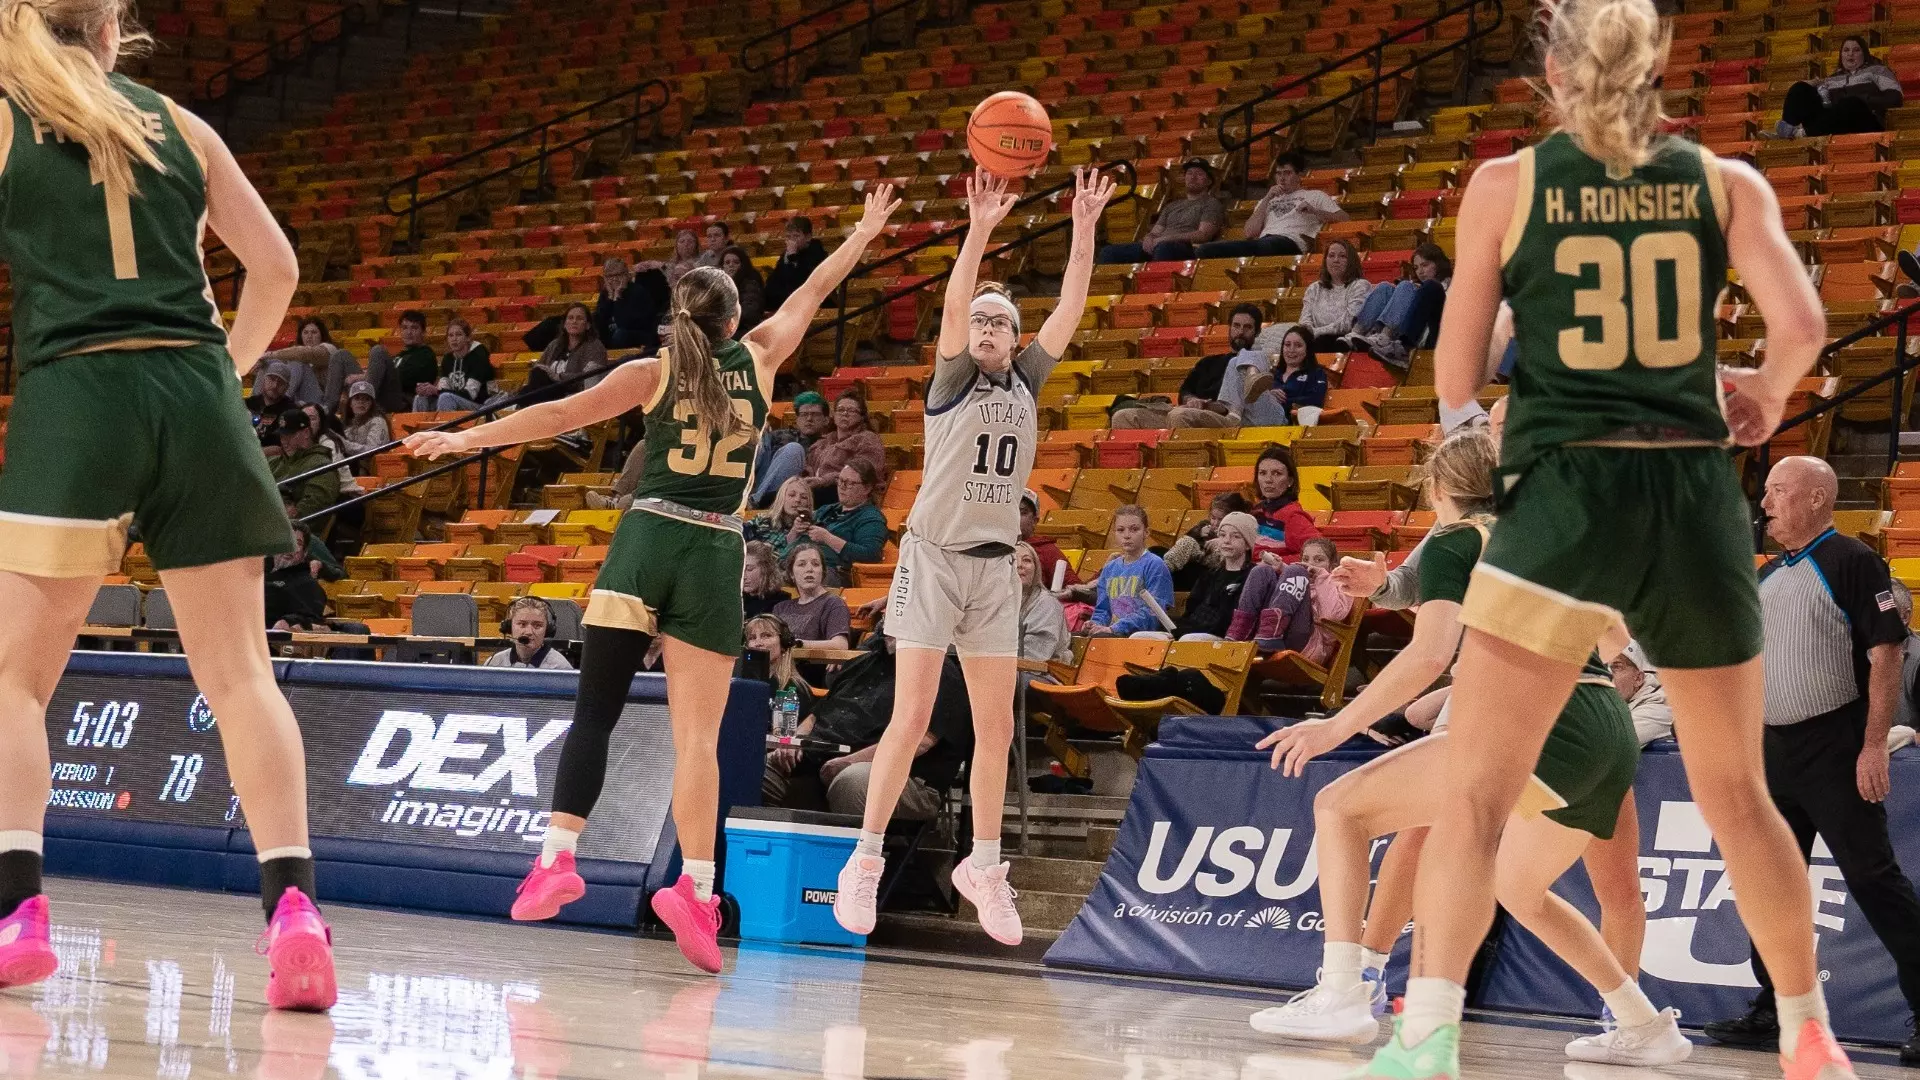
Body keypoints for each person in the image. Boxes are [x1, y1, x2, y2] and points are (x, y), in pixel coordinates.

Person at [1353, 0, 1852, 1073]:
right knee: (1737, 794)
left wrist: (1485, 439)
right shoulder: (1726, 181)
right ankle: (1809, 1030)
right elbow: (1804, 326)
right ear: (1658, 63)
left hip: (1565, 494)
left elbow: (1455, 372)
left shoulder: (1507, 184)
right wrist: (1767, 390)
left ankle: (1428, 1033)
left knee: (1476, 794)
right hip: (1688, 494)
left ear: (1551, 70)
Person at [403, 184, 903, 975]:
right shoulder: (762, 357)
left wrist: (466, 441)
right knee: (696, 741)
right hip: (715, 550)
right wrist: (866, 230)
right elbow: (814, 288)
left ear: (677, 319)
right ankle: (696, 892)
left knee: (595, 712)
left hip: (647, 539)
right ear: (734, 321)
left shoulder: (652, 372)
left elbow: (555, 417)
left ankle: (558, 857)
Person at [0, 0, 337, 1010]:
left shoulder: (7, 114)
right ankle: (295, 912)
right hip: (195, 394)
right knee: (241, 677)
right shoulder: (183, 125)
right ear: (112, 30)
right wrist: (223, 374)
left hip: (77, 391)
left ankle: (18, 911)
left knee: (14, 680)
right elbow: (276, 267)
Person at [1249, 431, 1687, 1068]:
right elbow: (1617, 641)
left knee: (1340, 808)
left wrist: (1334, 727)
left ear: (1437, 489)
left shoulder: (1455, 540)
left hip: (1542, 723)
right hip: (1607, 727)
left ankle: (1343, 992)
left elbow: (1429, 653)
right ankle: (1643, 1025)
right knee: (1520, 888)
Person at [834, 167, 1114, 947]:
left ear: (1016, 339)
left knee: (997, 729)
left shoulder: (1026, 381)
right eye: (981, 320)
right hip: (933, 559)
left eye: (1001, 323)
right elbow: (957, 303)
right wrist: (980, 228)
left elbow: (1071, 306)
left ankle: (984, 867)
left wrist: (1083, 227)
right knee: (911, 715)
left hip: (994, 568)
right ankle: (865, 858)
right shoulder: (954, 378)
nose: (987, 328)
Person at [1703, 456, 1920, 1065]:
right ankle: (1776, 1007)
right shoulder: (1772, 572)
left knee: (1873, 879)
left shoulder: (1852, 561)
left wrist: (1873, 745)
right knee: (1770, 880)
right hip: (1772, 751)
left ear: (1818, 499)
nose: (1764, 502)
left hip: (1835, 748)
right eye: (1766, 491)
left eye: (1778, 491)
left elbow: (1887, 655)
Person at [1109, 304, 1262, 430]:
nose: (1240, 332)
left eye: (1247, 327)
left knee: (1179, 416)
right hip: (1187, 411)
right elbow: (1185, 391)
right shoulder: (1208, 362)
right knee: (1123, 417)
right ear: (1229, 328)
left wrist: (1204, 405)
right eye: (1236, 326)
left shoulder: (1256, 364)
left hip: (1221, 417)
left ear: (1257, 332)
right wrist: (1192, 399)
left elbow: (1236, 406)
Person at [1197, 152, 1348, 259]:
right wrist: (1267, 198)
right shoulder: (1267, 200)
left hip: (1291, 242)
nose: (1282, 178)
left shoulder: (1315, 195)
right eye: (1278, 174)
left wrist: (1315, 211)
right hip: (1264, 242)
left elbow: (1344, 219)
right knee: (1205, 250)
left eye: (1287, 173)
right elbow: (1249, 233)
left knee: (1267, 244)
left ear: (1299, 176)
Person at [1096, 159, 1224, 264]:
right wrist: (1149, 238)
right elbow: (1156, 231)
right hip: (1160, 244)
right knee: (1109, 251)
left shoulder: (1211, 204)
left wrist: (1166, 239)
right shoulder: (1172, 206)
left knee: (1164, 248)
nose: (1193, 177)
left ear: (1209, 181)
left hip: (1186, 248)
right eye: (1189, 173)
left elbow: (1203, 235)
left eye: (1199, 174)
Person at [1347, 243, 1452, 369]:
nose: (1420, 271)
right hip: (1405, 333)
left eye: (1425, 265)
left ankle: (1401, 347)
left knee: (1426, 286)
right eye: (1416, 267)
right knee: (1385, 288)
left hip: (1436, 336)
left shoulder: (1454, 284)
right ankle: (1356, 335)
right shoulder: (1417, 287)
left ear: (1439, 264)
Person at [1779, 35, 1902, 138]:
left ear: (1864, 54)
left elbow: (1895, 98)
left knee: (1850, 102)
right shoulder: (1831, 78)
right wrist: (1811, 84)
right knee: (1800, 88)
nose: (1850, 54)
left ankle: (1802, 133)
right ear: (1841, 55)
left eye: (1856, 50)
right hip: (1834, 121)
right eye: (1846, 50)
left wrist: (1865, 99)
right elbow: (1820, 104)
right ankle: (1787, 131)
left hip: (1865, 120)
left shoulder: (1879, 70)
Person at [1087, 505, 1175, 636]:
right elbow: (1103, 610)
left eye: (1134, 529)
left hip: (1144, 634)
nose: (1127, 535)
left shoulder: (1155, 565)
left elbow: (1154, 611)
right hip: (1113, 632)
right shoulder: (1110, 568)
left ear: (1146, 532)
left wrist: (1116, 628)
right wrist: (1095, 624)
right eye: (1120, 530)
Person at [1170, 508, 1254, 639]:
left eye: (1235, 536)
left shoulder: (1251, 576)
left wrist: (1185, 633)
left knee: (1189, 639)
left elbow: (1226, 621)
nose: (1227, 541)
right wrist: (1178, 630)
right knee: (1144, 636)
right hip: (1193, 632)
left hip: (1222, 637)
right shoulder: (1210, 574)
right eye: (1222, 535)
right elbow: (1191, 611)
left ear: (1248, 544)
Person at [807, 460, 888, 586]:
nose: (842, 487)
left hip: (837, 574)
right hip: (805, 563)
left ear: (867, 488)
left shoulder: (871, 518)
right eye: (840, 480)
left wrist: (828, 538)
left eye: (850, 483)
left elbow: (871, 555)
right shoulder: (827, 509)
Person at [256, 317, 360, 412]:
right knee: (269, 364)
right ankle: (257, 405)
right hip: (302, 399)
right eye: (305, 332)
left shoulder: (329, 349)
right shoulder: (296, 355)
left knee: (296, 361)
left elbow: (304, 353)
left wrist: (270, 354)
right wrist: (262, 360)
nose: (309, 336)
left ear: (321, 335)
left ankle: (280, 401)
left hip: (324, 403)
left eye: (314, 332)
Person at [749, 390, 829, 509]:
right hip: (763, 480)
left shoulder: (830, 443)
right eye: (804, 414)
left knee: (794, 449)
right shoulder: (779, 435)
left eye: (815, 414)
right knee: (760, 434)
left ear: (826, 420)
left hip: (793, 491)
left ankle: (756, 501)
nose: (809, 419)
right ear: (797, 419)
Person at [804, 392, 887, 498]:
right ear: (834, 415)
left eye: (851, 410)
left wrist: (824, 481)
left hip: (852, 491)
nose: (845, 413)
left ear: (861, 417)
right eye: (840, 409)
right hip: (820, 491)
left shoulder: (868, 439)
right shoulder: (824, 441)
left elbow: (863, 473)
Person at [524, 303, 609, 405]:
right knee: (534, 378)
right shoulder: (555, 345)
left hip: (572, 393)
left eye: (579, 318)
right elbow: (541, 369)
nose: (574, 321)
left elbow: (589, 379)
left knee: (527, 394)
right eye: (570, 318)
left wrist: (558, 377)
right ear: (564, 324)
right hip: (547, 389)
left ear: (588, 325)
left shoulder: (594, 346)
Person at [1249, 445, 1322, 561]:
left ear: (1290, 481)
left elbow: (1321, 555)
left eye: (1277, 473)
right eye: (1262, 473)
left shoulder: (1293, 517)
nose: (1268, 480)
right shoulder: (1256, 511)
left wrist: (1278, 564)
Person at [773, 543, 852, 650]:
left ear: (823, 572)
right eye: (802, 564)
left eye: (815, 564)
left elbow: (840, 645)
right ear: (791, 573)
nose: (809, 569)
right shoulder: (780, 608)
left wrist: (798, 644)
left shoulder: (833, 604)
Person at [268, 412, 342, 525]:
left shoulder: (321, 466)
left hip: (291, 530)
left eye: (290, 435)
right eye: (282, 436)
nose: (284, 442)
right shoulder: (275, 461)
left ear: (306, 432)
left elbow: (313, 508)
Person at [1297, 238, 1369, 351]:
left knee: (1321, 342)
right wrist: (1308, 331)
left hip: (1344, 340)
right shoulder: (1314, 288)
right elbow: (1305, 320)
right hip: (1316, 340)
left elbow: (1349, 323)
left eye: (1342, 256)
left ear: (1352, 261)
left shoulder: (1360, 285)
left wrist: (1317, 331)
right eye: (1331, 256)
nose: (1336, 260)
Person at [368, 310, 438, 415]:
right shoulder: (400, 355)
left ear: (423, 332)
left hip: (404, 401)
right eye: (405, 328)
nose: (409, 332)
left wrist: (367, 376)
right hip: (386, 396)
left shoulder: (426, 354)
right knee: (343, 356)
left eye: (414, 328)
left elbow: (403, 379)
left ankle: (365, 398)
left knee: (378, 351)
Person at [594, 257, 669, 353]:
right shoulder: (606, 294)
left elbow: (624, 323)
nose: (614, 279)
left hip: (638, 334)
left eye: (618, 275)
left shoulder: (638, 291)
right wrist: (610, 298)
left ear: (626, 274)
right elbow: (599, 321)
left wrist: (617, 298)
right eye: (609, 276)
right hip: (616, 334)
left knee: (620, 334)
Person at [420, 317, 494, 413]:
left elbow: (470, 395)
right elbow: (444, 388)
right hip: (455, 401)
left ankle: (444, 423)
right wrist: (428, 390)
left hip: (481, 406)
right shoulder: (448, 359)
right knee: (421, 398)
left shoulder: (478, 356)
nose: (454, 339)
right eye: (450, 335)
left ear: (468, 338)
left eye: (458, 334)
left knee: (446, 398)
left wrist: (437, 391)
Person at [1015, 541, 1072, 664]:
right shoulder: (997, 601)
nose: (1020, 565)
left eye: (1026, 560)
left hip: (1036, 671)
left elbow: (1033, 658)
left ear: (1036, 569)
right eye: (1013, 560)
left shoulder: (1047, 604)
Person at [485, 597, 574, 670]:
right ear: (509, 627)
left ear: (547, 630)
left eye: (537, 625)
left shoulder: (560, 668)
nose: (529, 632)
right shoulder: (494, 663)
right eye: (522, 624)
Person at [744, 475, 815, 564]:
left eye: (804, 497)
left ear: (809, 503)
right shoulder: (762, 520)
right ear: (782, 497)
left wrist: (794, 534)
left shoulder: (812, 530)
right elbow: (739, 537)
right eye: (792, 495)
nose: (797, 500)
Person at [1609, 650, 1674, 744]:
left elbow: (1606, 744)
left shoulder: (1657, 710)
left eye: (1617, 667)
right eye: (1602, 668)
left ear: (1638, 679)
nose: (1606, 675)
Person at [764, 216, 826, 313]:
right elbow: (774, 281)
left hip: (812, 303)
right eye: (788, 237)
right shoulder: (785, 255)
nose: (792, 241)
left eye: (796, 236)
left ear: (808, 237)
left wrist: (793, 258)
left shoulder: (817, 254)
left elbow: (802, 282)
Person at [1018, 489, 1078, 588]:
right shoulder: (993, 548)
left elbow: (1075, 588)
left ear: (1035, 521)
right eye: (1011, 511)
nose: (1015, 516)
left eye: (1022, 512)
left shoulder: (1049, 552)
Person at [338, 380, 390, 461]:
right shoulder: (350, 426)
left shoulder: (378, 421)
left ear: (372, 404)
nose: (361, 402)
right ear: (350, 403)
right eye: (357, 398)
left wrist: (345, 445)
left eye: (366, 399)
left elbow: (374, 451)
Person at [720, 245, 766, 332]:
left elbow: (749, 314)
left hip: (744, 330)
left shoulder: (751, 284)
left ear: (743, 265)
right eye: (727, 262)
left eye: (736, 262)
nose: (731, 265)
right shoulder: (720, 284)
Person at [245, 362, 299, 431]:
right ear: (264, 380)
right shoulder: (248, 403)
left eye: (281, 382)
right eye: (272, 379)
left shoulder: (291, 412)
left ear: (287, 388)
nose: (275, 386)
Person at [741, 540, 786, 620]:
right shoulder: (736, 601)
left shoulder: (781, 603)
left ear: (766, 569)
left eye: (749, 569)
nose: (743, 576)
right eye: (741, 569)